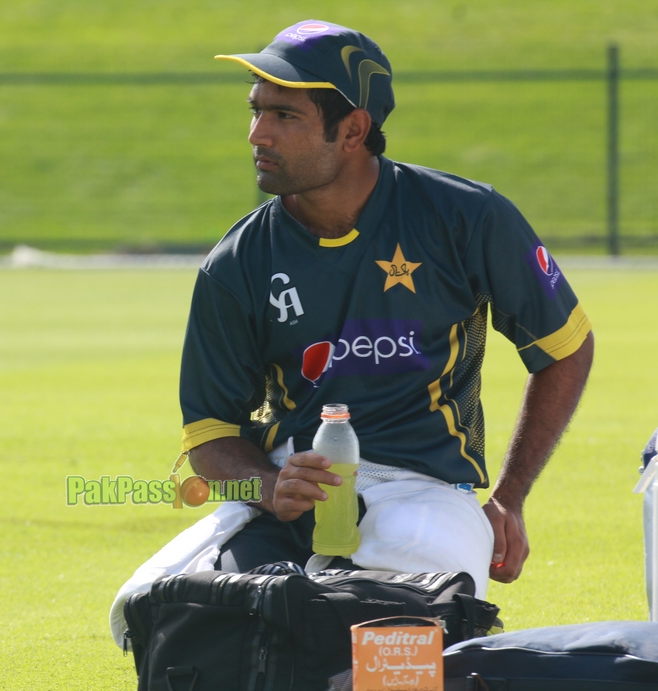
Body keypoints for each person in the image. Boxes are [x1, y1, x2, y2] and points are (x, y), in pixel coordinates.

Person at [179, 19, 594, 592]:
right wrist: (267, 486)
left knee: (417, 607)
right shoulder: (235, 262)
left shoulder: (467, 218)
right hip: (288, 495)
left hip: (426, 490)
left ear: (352, 130)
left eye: (284, 116)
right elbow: (209, 435)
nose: (257, 134)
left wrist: (509, 497)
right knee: (158, 605)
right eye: (256, 110)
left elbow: (564, 349)